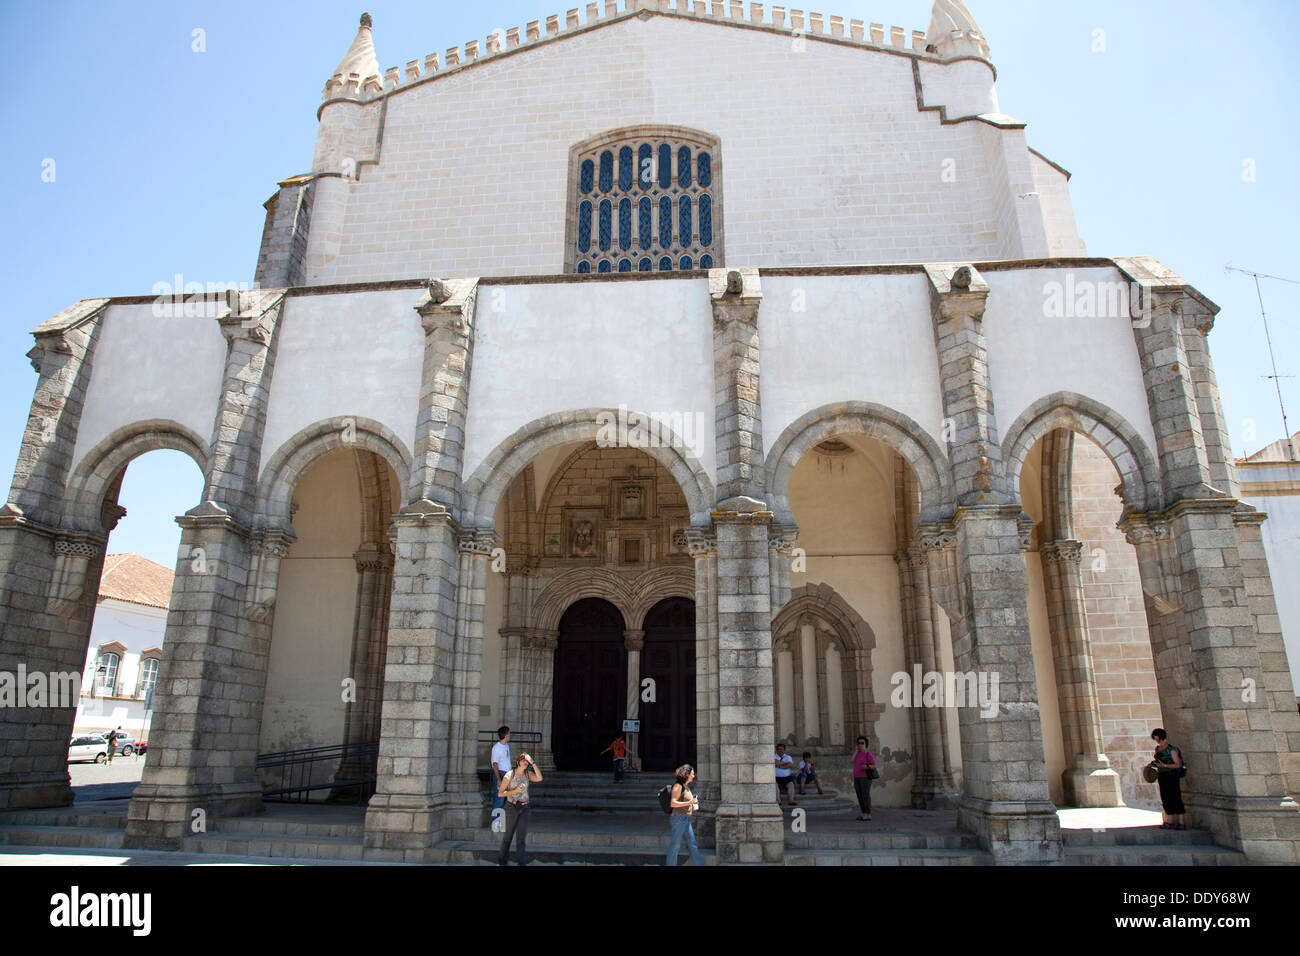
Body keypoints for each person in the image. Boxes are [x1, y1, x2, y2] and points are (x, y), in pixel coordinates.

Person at [498, 752, 542, 865]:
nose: (525, 763)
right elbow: (500, 793)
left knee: (521, 839)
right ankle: (502, 862)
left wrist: (533, 762)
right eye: (523, 761)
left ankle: (521, 863)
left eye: (527, 761)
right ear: (518, 762)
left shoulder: (528, 774)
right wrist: (515, 791)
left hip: (524, 808)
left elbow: (539, 778)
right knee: (508, 837)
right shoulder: (509, 775)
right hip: (511, 807)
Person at [665, 764, 705, 866]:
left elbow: (685, 802)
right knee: (675, 846)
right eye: (692, 774)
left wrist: (692, 805)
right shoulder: (678, 786)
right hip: (678, 818)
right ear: (687, 774)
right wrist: (690, 802)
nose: (694, 776)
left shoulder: (686, 786)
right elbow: (673, 803)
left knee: (692, 845)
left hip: (685, 819)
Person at [1149, 728, 1186, 830]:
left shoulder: (1171, 749)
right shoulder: (1157, 749)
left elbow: (1177, 764)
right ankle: (1169, 821)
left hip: (1172, 776)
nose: (1155, 739)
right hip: (1162, 775)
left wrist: (1164, 765)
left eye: (1156, 737)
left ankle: (1181, 822)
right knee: (1165, 798)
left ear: (1160, 736)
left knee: (1176, 797)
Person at [852, 735, 877, 821]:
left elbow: (874, 765)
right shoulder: (857, 754)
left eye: (862, 743)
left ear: (866, 744)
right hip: (857, 777)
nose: (860, 744)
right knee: (860, 796)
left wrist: (867, 767)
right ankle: (863, 814)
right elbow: (852, 761)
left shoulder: (868, 754)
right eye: (858, 743)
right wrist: (856, 751)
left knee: (865, 795)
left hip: (865, 778)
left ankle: (868, 814)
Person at [490, 726, 511, 814]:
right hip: (501, 774)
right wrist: (498, 779)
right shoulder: (497, 748)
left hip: (507, 774)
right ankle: (496, 821)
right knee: (499, 800)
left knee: (506, 800)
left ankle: (502, 819)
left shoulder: (506, 746)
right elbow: (495, 764)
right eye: (509, 733)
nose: (510, 735)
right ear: (505, 735)